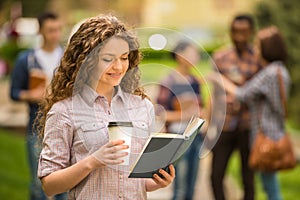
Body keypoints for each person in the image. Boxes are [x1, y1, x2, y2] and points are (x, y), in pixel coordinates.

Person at [36, 15, 175, 199]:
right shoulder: (64, 112)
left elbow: (136, 180)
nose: (118, 67)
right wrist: (92, 161)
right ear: (87, 60)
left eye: (124, 58)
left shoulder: (142, 106)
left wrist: (156, 182)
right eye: (108, 59)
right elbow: (50, 185)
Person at [210, 25, 289, 200]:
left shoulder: (270, 73)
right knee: (268, 186)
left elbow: (243, 94)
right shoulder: (280, 70)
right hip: (272, 131)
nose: (256, 50)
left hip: (266, 136)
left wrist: (220, 79)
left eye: (259, 45)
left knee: (271, 188)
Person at [10, 12, 65, 200]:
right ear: (41, 31)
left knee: (64, 182)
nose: (55, 35)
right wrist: (30, 95)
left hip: (65, 128)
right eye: (50, 30)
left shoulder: (68, 58)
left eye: (58, 30)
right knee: (37, 183)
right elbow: (14, 92)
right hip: (37, 127)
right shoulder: (26, 59)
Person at [210, 14, 261, 200]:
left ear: (251, 32)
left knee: (248, 178)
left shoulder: (259, 58)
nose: (239, 36)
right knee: (216, 174)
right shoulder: (220, 56)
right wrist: (210, 123)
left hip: (249, 125)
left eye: (244, 32)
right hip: (225, 124)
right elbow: (214, 95)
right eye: (235, 31)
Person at [156, 40, 204, 200]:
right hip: (178, 138)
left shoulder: (196, 82)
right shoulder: (169, 82)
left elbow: (201, 110)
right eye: (193, 52)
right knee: (180, 187)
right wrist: (185, 115)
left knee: (192, 186)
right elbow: (160, 114)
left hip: (196, 137)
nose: (196, 56)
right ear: (180, 56)